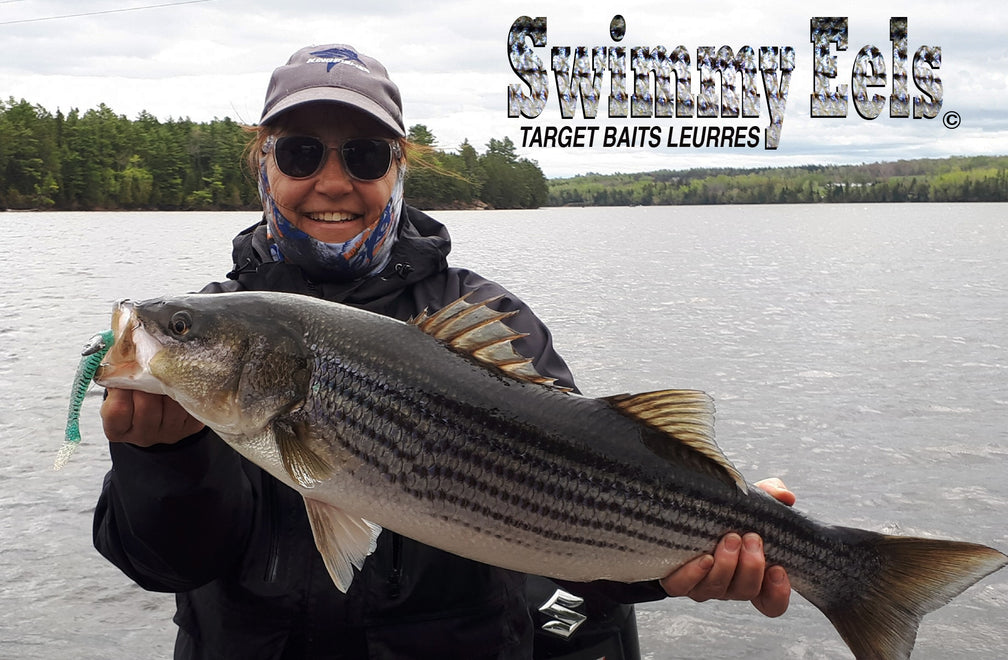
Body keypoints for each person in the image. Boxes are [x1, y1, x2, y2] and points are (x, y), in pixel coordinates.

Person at [93, 44, 796, 660]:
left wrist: (677, 560)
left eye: (365, 156)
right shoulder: (223, 336)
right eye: (301, 152)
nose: (332, 182)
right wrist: (162, 461)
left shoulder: (492, 319)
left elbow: (574, 509)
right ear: (264, 166)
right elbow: (165, 563)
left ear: (398, 171)